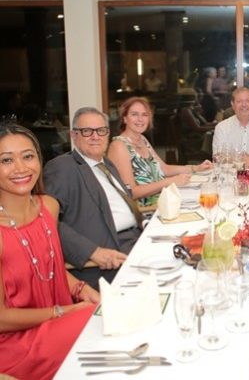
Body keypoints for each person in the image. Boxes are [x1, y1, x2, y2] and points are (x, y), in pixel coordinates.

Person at [0, 123, 99, 380]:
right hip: (16, 344)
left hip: (58, 323)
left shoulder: (49, 206)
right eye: (6, 160)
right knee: (100, 323)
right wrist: (63, 312)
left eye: (28, 156)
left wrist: (82, 289)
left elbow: (47, 268)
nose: (20, 168)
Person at [43, 107, 142, 289]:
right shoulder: (63, 167)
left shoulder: (107, 164)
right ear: (73, 135)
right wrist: (92, 252)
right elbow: (46, 221)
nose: (95, 136)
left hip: (137, 239)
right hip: (108, 259)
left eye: (101, 130)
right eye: (87, 131)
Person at [107, 97, 211, 206]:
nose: (140, 119)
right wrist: (169, 182)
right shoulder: (119, 146)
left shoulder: (142, 139)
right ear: (124, 118)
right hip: (145, 209)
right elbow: (131, 192)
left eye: (144, 115)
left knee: (205, 196)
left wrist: (196, 168)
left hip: (162, 200)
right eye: (134, 114)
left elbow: (164, 168)